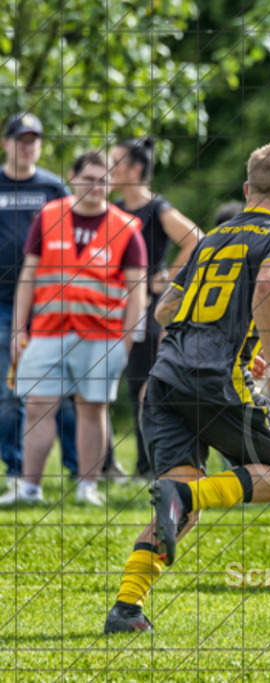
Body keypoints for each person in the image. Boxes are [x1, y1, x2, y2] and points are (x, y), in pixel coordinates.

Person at [104, 140, 270, 634]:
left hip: (165, 379)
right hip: (216, 382)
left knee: (181, 502)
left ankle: (126, 609)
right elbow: (268, 284)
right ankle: (183, 495)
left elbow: (165, 311)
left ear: (246, 189)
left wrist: (232, 336)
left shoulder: (212, 238)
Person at [2, 150, 147, 506]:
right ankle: (29, 488)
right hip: (47, 330)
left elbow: (137, 292)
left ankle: (87, 487)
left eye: (104, 181)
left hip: (102, 337)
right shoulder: (48, 217)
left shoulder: (127, 228)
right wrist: (20, 329)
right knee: (36, 405)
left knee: (92, 408)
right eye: (89, 179)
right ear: (72, 177)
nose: (96, 187)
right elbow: (28, 277)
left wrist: (128, 343)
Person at [109, 136, 203, 479]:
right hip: (112, 305)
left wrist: (167, 279)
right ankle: (106, 466)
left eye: (115, 163)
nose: (108, 170)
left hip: (146, 309)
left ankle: (147, 467)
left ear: (135, 169)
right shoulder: (115, 208)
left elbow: (196, 238)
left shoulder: (157, 207)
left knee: (141, 388)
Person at [0, 113, 78, 490]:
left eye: (34, 139)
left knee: (61, 392)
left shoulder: (54, 188)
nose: (27, 145)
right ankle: (17, 473)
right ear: (6, 143)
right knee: (8, 392)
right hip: (2, 305)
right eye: (20, 139)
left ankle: (81, 472)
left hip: (49, 305)